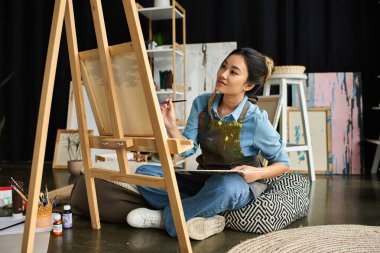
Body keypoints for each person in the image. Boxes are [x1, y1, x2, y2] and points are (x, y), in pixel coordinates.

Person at [127, 48, 290, 240]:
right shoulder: (201, 103)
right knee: (145, 173)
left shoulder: (256, 120)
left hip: (236, 185)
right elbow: (189, 150)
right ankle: (204, 215)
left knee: (225, 187)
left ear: (248, 85)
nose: (223, 74)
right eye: (223, 66)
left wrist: (258, 173)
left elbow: (284, 162)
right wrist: (171, 125)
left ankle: (166, 219)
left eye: (233, 72)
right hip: (203, 179)